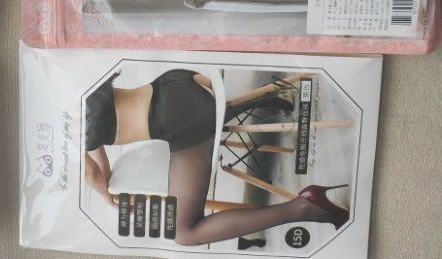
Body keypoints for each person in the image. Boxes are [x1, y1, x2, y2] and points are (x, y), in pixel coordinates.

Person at [85, 68, 349, 245]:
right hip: (175, 83)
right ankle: (260, 101)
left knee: (184, 232)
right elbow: (95, 150)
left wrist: (106, 195)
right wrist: (104, 177)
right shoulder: (70, 87)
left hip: (178, 119)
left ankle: (303, 207)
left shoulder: (68, 130)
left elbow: (93, 173)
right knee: (192, 121)